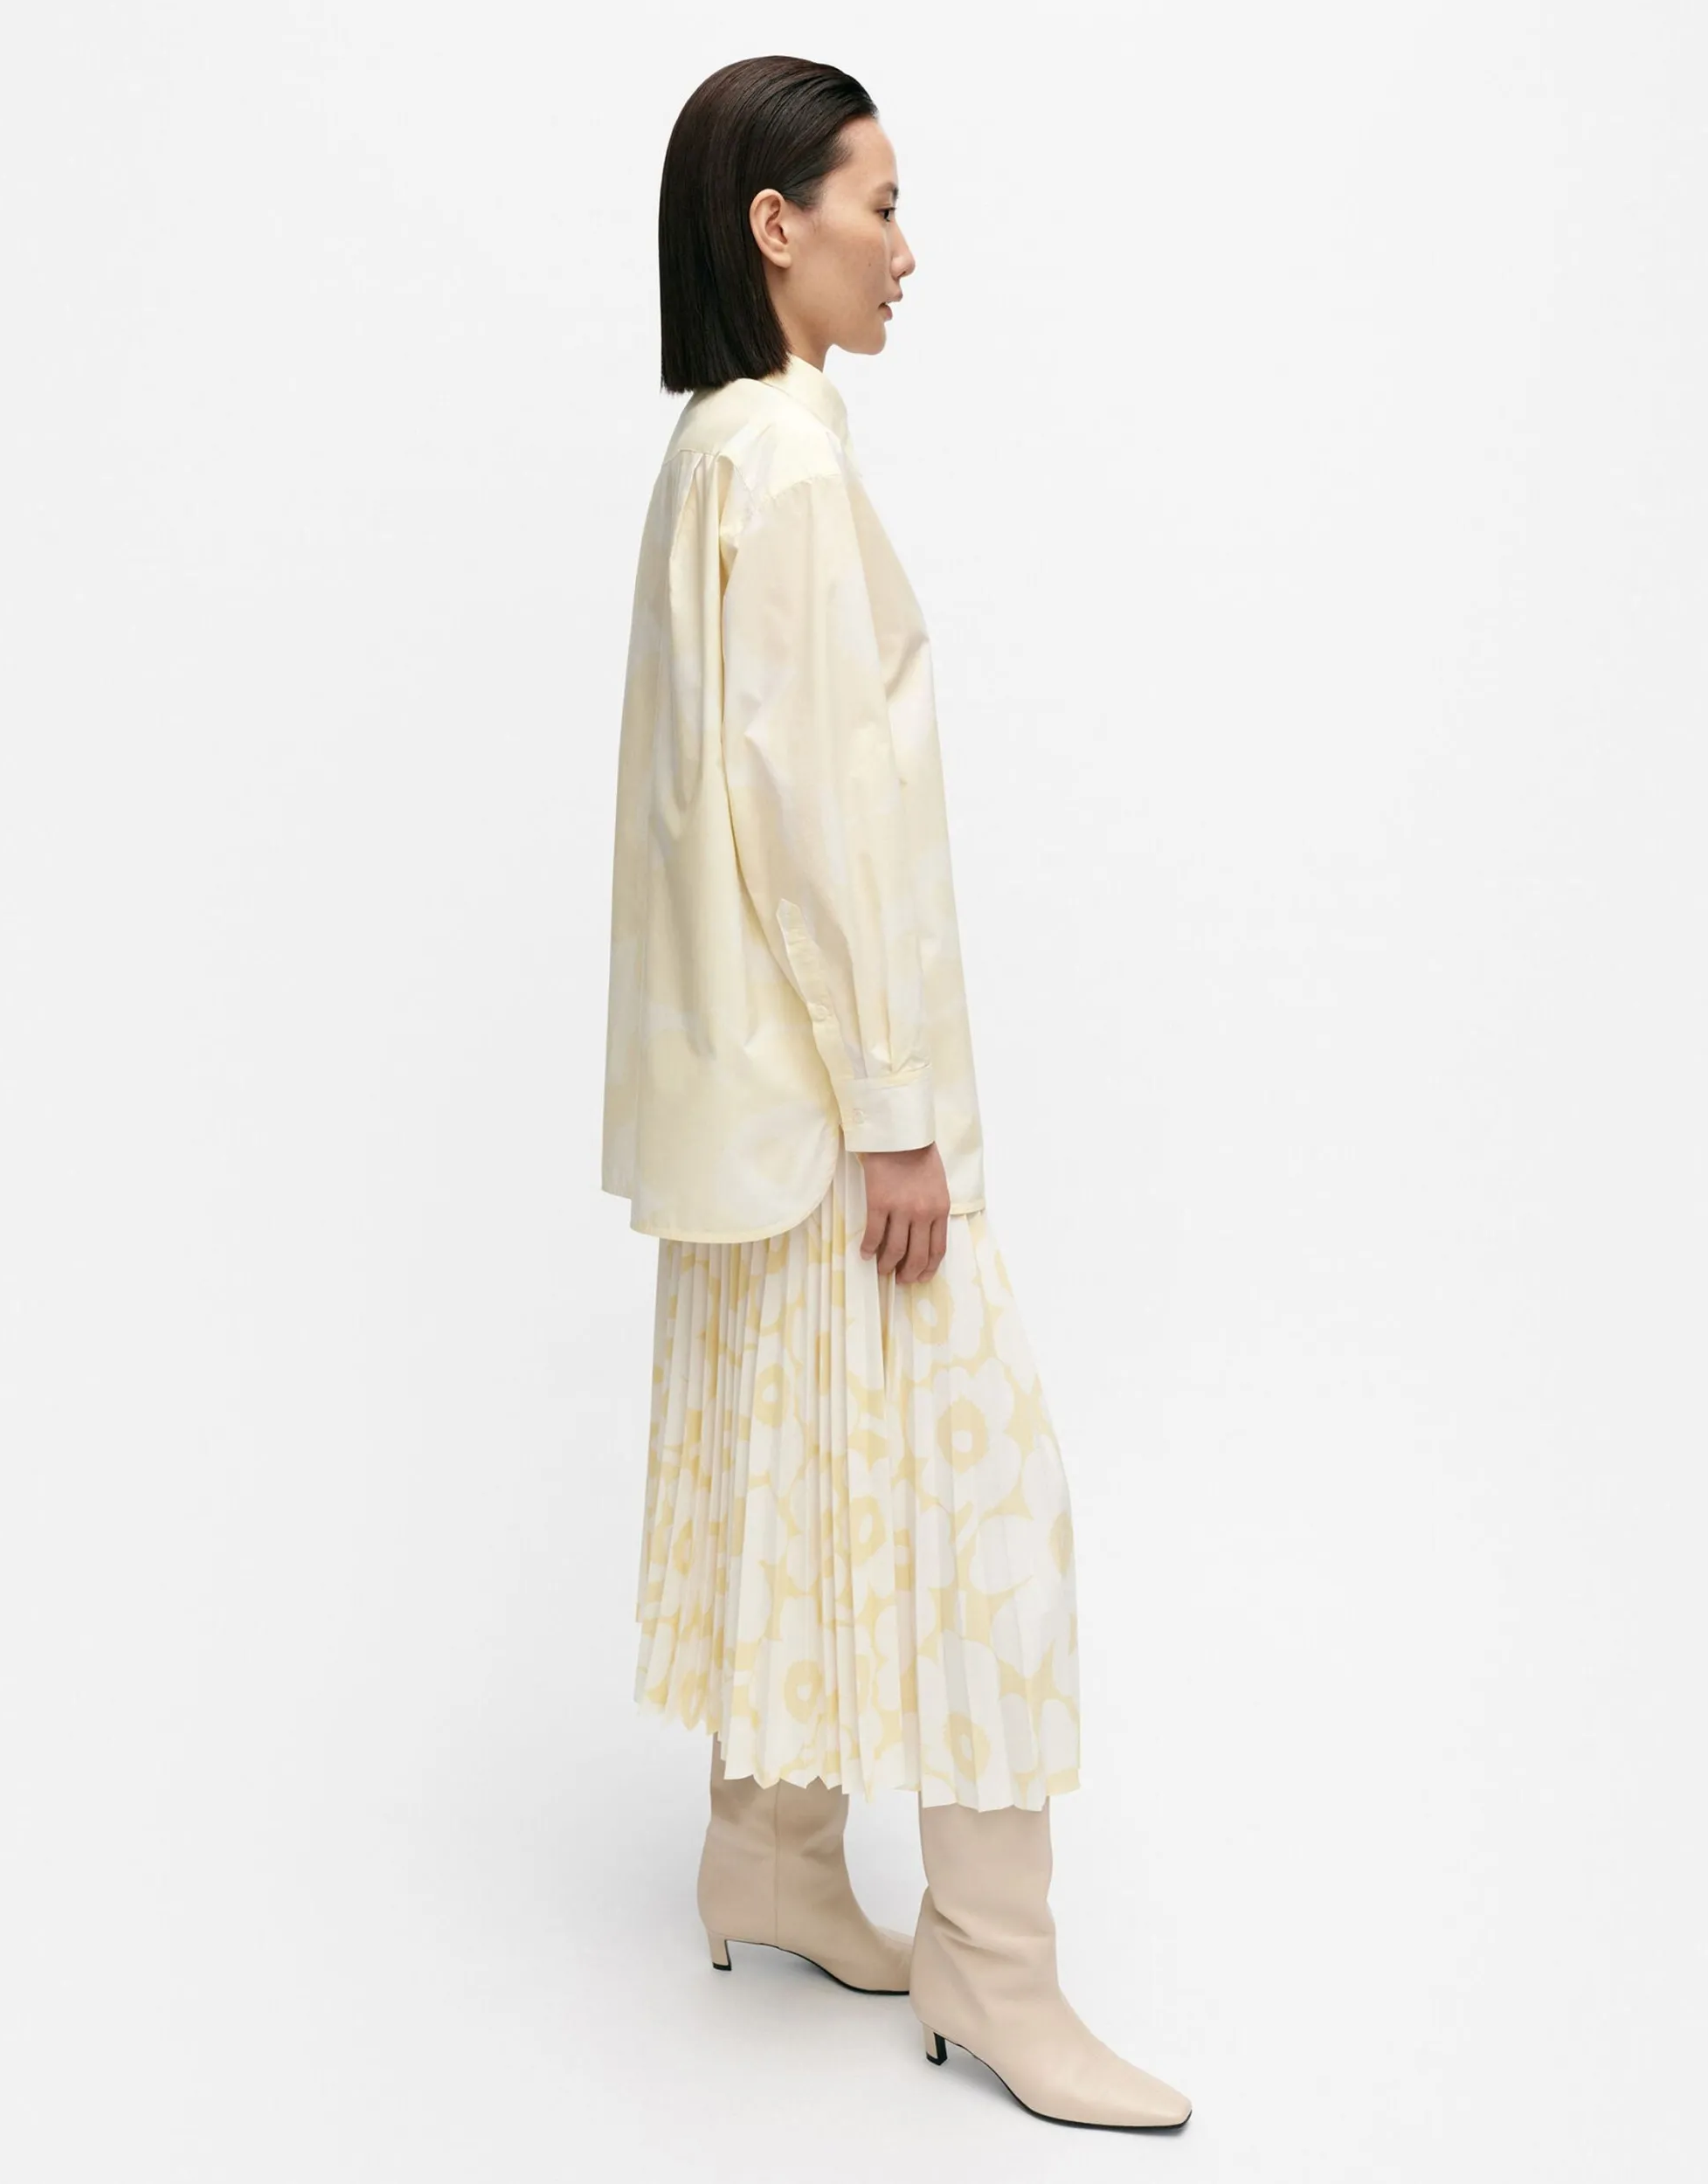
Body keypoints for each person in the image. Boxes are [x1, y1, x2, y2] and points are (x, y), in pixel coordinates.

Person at [599, 53, 1191, 2133]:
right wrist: (894, 1109)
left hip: (739, 1114)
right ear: (777, 227)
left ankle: (766, 1854)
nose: (907, 248)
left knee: (793, 1458)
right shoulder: (787, 467)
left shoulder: (710, 448)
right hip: (832, 1113)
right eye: (877, 203)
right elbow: (815, 820)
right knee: (986, 1506)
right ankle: (993, 1965)